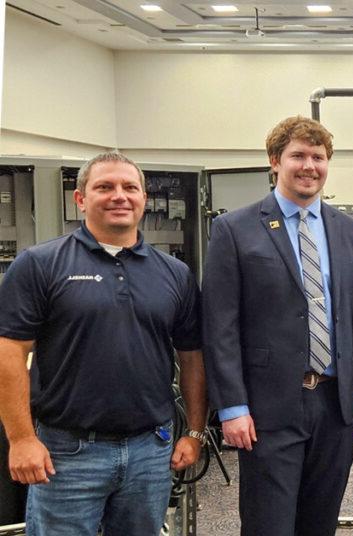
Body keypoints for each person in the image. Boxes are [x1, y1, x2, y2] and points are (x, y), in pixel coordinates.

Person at [0, 152, 206, 535]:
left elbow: (193, 355)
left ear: (143, 198)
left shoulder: (175, 274)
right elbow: (10, 353)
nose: (119, 196)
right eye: (104, 187)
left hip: (150, 450)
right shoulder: (39, 264)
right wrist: (22, 438)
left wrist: (194, 432)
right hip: (66, 453)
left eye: (130, 187)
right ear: (80, 199)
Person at [202, 116, 353, 535]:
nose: (309, 166)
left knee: (320, 521)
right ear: (275, 162)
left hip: (335, 404)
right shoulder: (234, 228)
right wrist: (232, 406)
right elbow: (219, 325)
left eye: (318, 156)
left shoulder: (348, 230)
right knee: (269, 524)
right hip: (267, 405)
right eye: (298, 155)